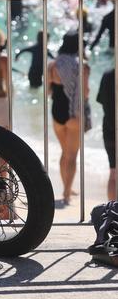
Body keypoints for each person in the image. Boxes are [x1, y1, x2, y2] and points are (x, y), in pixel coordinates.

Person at [47, 30, 91, 205]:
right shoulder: (82, 66)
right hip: (74, 114)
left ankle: (67, 186)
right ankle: (66, 193)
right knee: (72, 155)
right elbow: (85, 92)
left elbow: (49, 90)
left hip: (57, 112)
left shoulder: (53, 64)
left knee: (65, 152)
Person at [97, 68, 117, 201]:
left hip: (109, 127)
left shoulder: (108, 74)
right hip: (109, 127)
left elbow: (101, 99)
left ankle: (113, 212)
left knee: (114, 172)